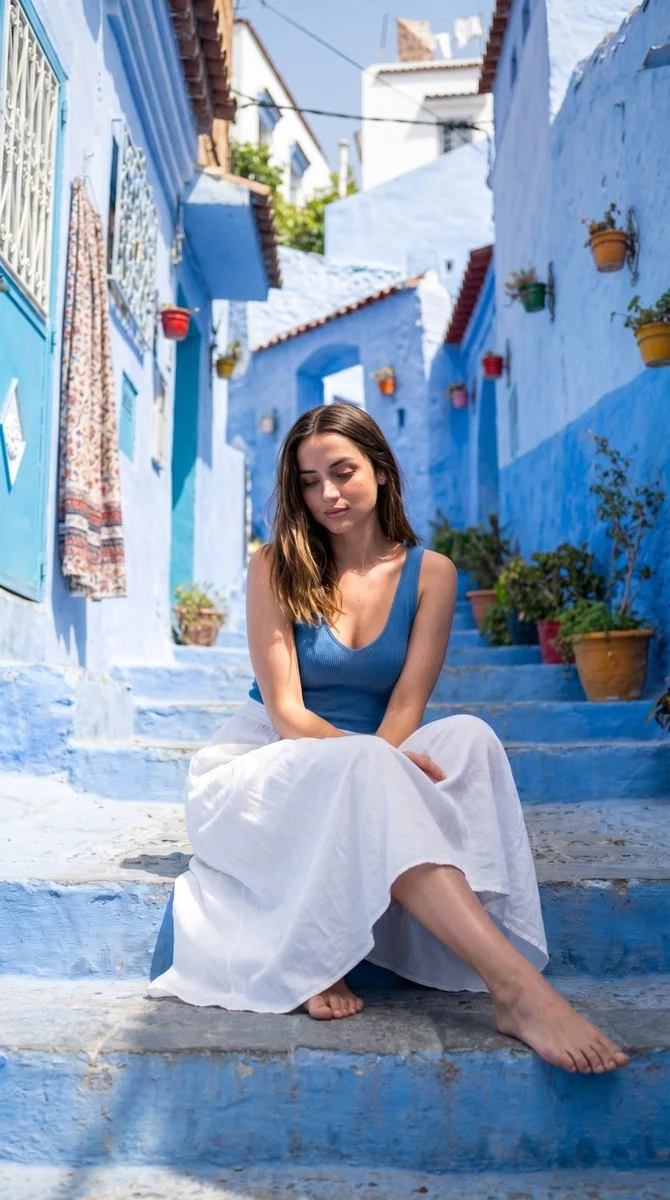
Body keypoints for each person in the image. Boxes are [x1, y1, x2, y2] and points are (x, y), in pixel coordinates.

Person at [149, 403, 629, 1076]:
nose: (327, 494)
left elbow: (407, 706)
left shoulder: (432, 574)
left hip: (376, 750)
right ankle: (516, 990)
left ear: (380, 469)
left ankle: (372, 926)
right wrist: (375, 759)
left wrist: (381, 758)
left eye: (342, 472)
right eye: (309, 482)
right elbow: (286, 712)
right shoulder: (274, 565)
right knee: (367, 764)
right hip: (269, 762)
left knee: (470, 738)